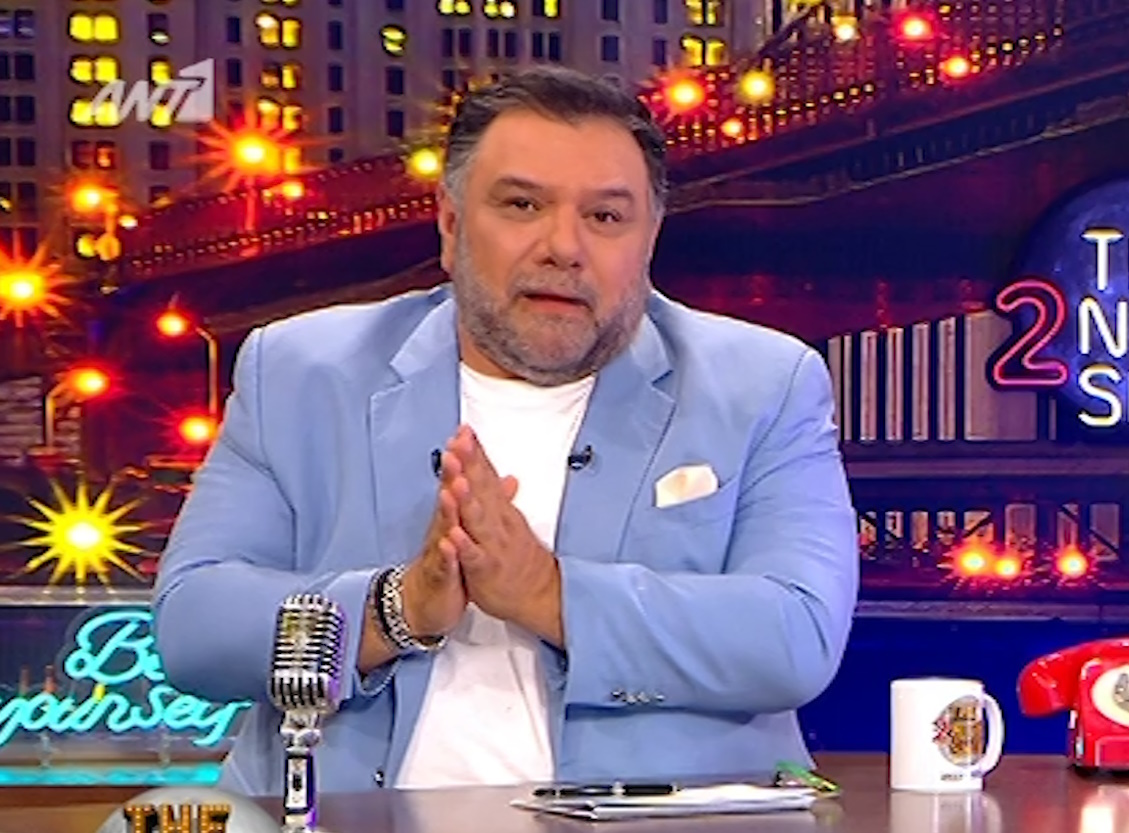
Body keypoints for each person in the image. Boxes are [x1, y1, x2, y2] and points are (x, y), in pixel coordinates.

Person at [152, 65, 859, 796]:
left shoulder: (763, 384)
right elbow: (194, 627)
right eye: (522, 204)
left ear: (649, 238)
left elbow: (796, 635)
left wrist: (548, 593)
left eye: (605, 217)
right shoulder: (300, 371)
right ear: (451, 223)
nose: (564, 246)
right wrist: (396, 608)